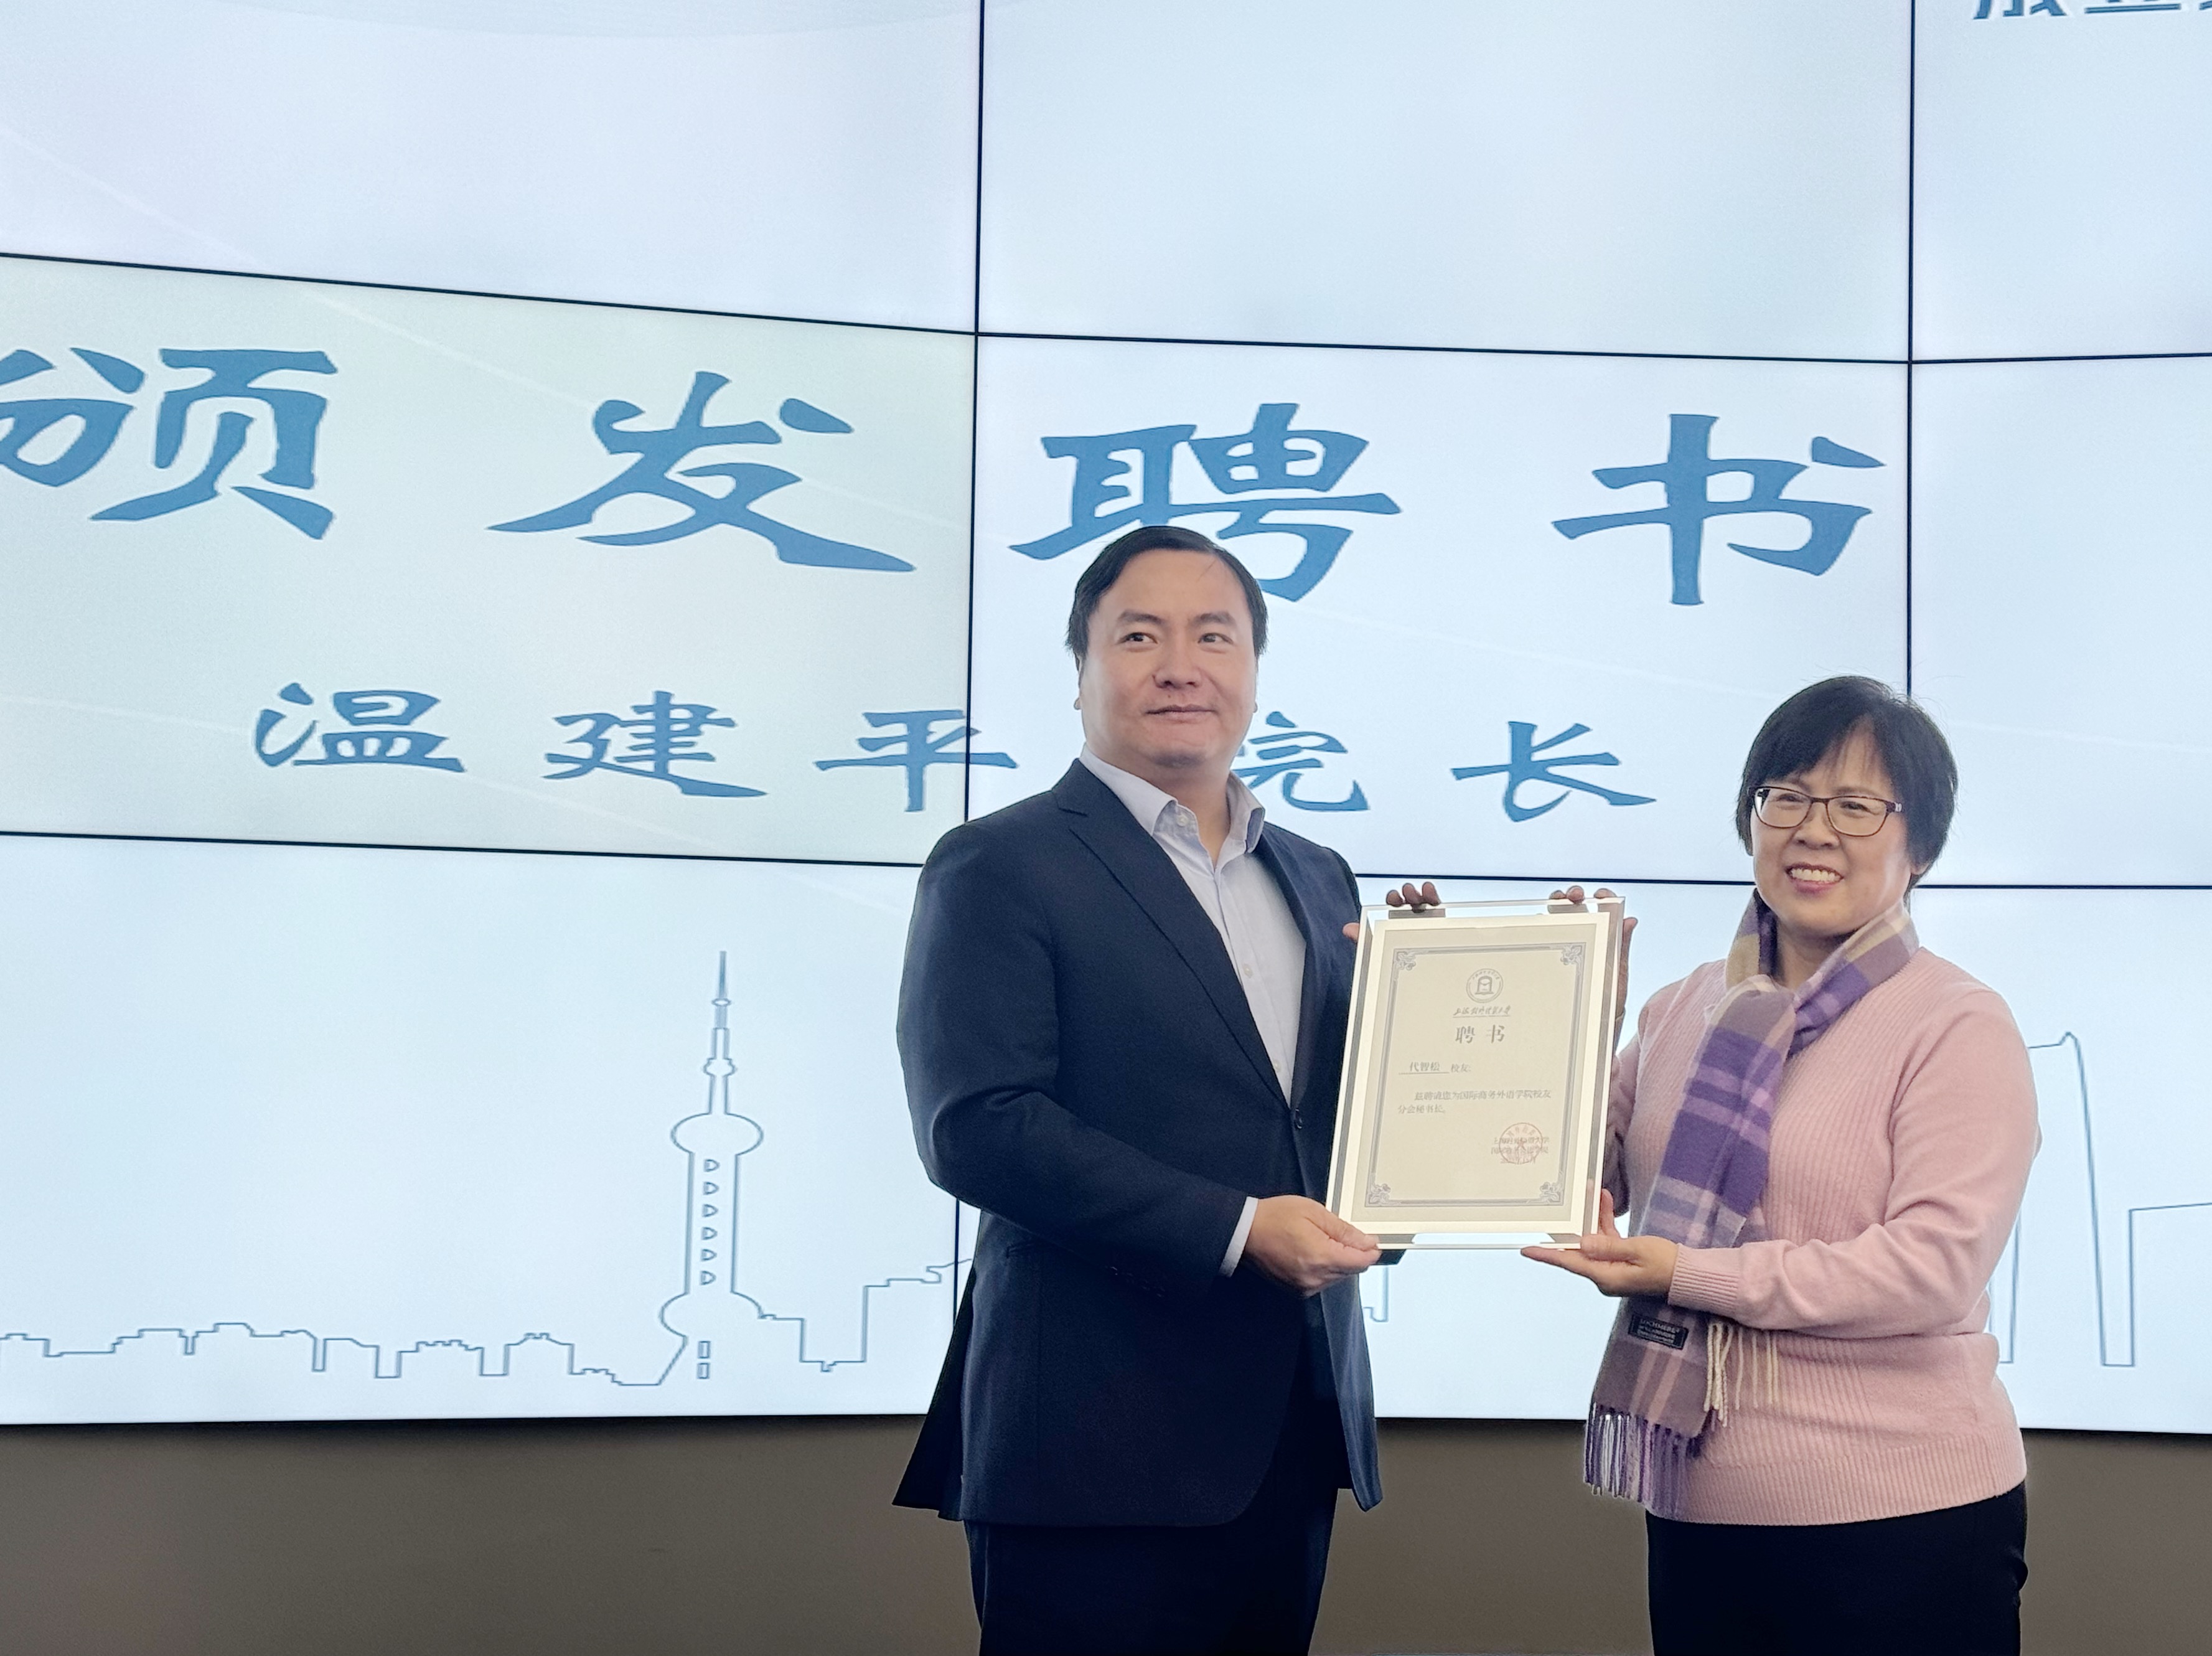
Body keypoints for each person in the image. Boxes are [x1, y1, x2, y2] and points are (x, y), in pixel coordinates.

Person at [893, 525, 1397, 1655]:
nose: (1180, 666)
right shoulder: (999, 863)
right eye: (1138, 637)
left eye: (1213, 636)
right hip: (1090, 1442)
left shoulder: (1318, 875)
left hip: (1287, 1427)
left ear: (1253, 670)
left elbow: (1339, 1120)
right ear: (1080, 670)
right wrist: (1238, 1229)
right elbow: (976, 1126)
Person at [1526, 675, 2038, 1656]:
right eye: (1787, 797)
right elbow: (1569, 1170)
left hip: (1903, 1515)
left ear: (1920, 847)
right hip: (1701, 1509)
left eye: (1855, 807)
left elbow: (1932, 1270)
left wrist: (1688, 1272)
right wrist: (1563, 1012)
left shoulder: (1955, 1022)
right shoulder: (1681, 1007)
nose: (1812, 831)